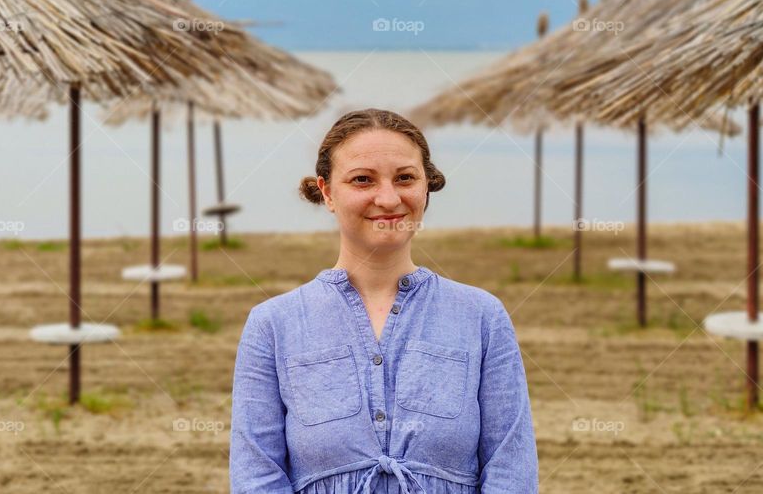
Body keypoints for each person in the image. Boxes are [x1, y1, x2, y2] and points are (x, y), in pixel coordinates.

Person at [230, 108, 539, 493]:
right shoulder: (272, 324)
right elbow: (256, 475)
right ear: (327, 192)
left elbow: (511, 468)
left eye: (405, 178)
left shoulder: (482, 316)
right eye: (363, 180)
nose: (389, 198)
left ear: (426, 187)